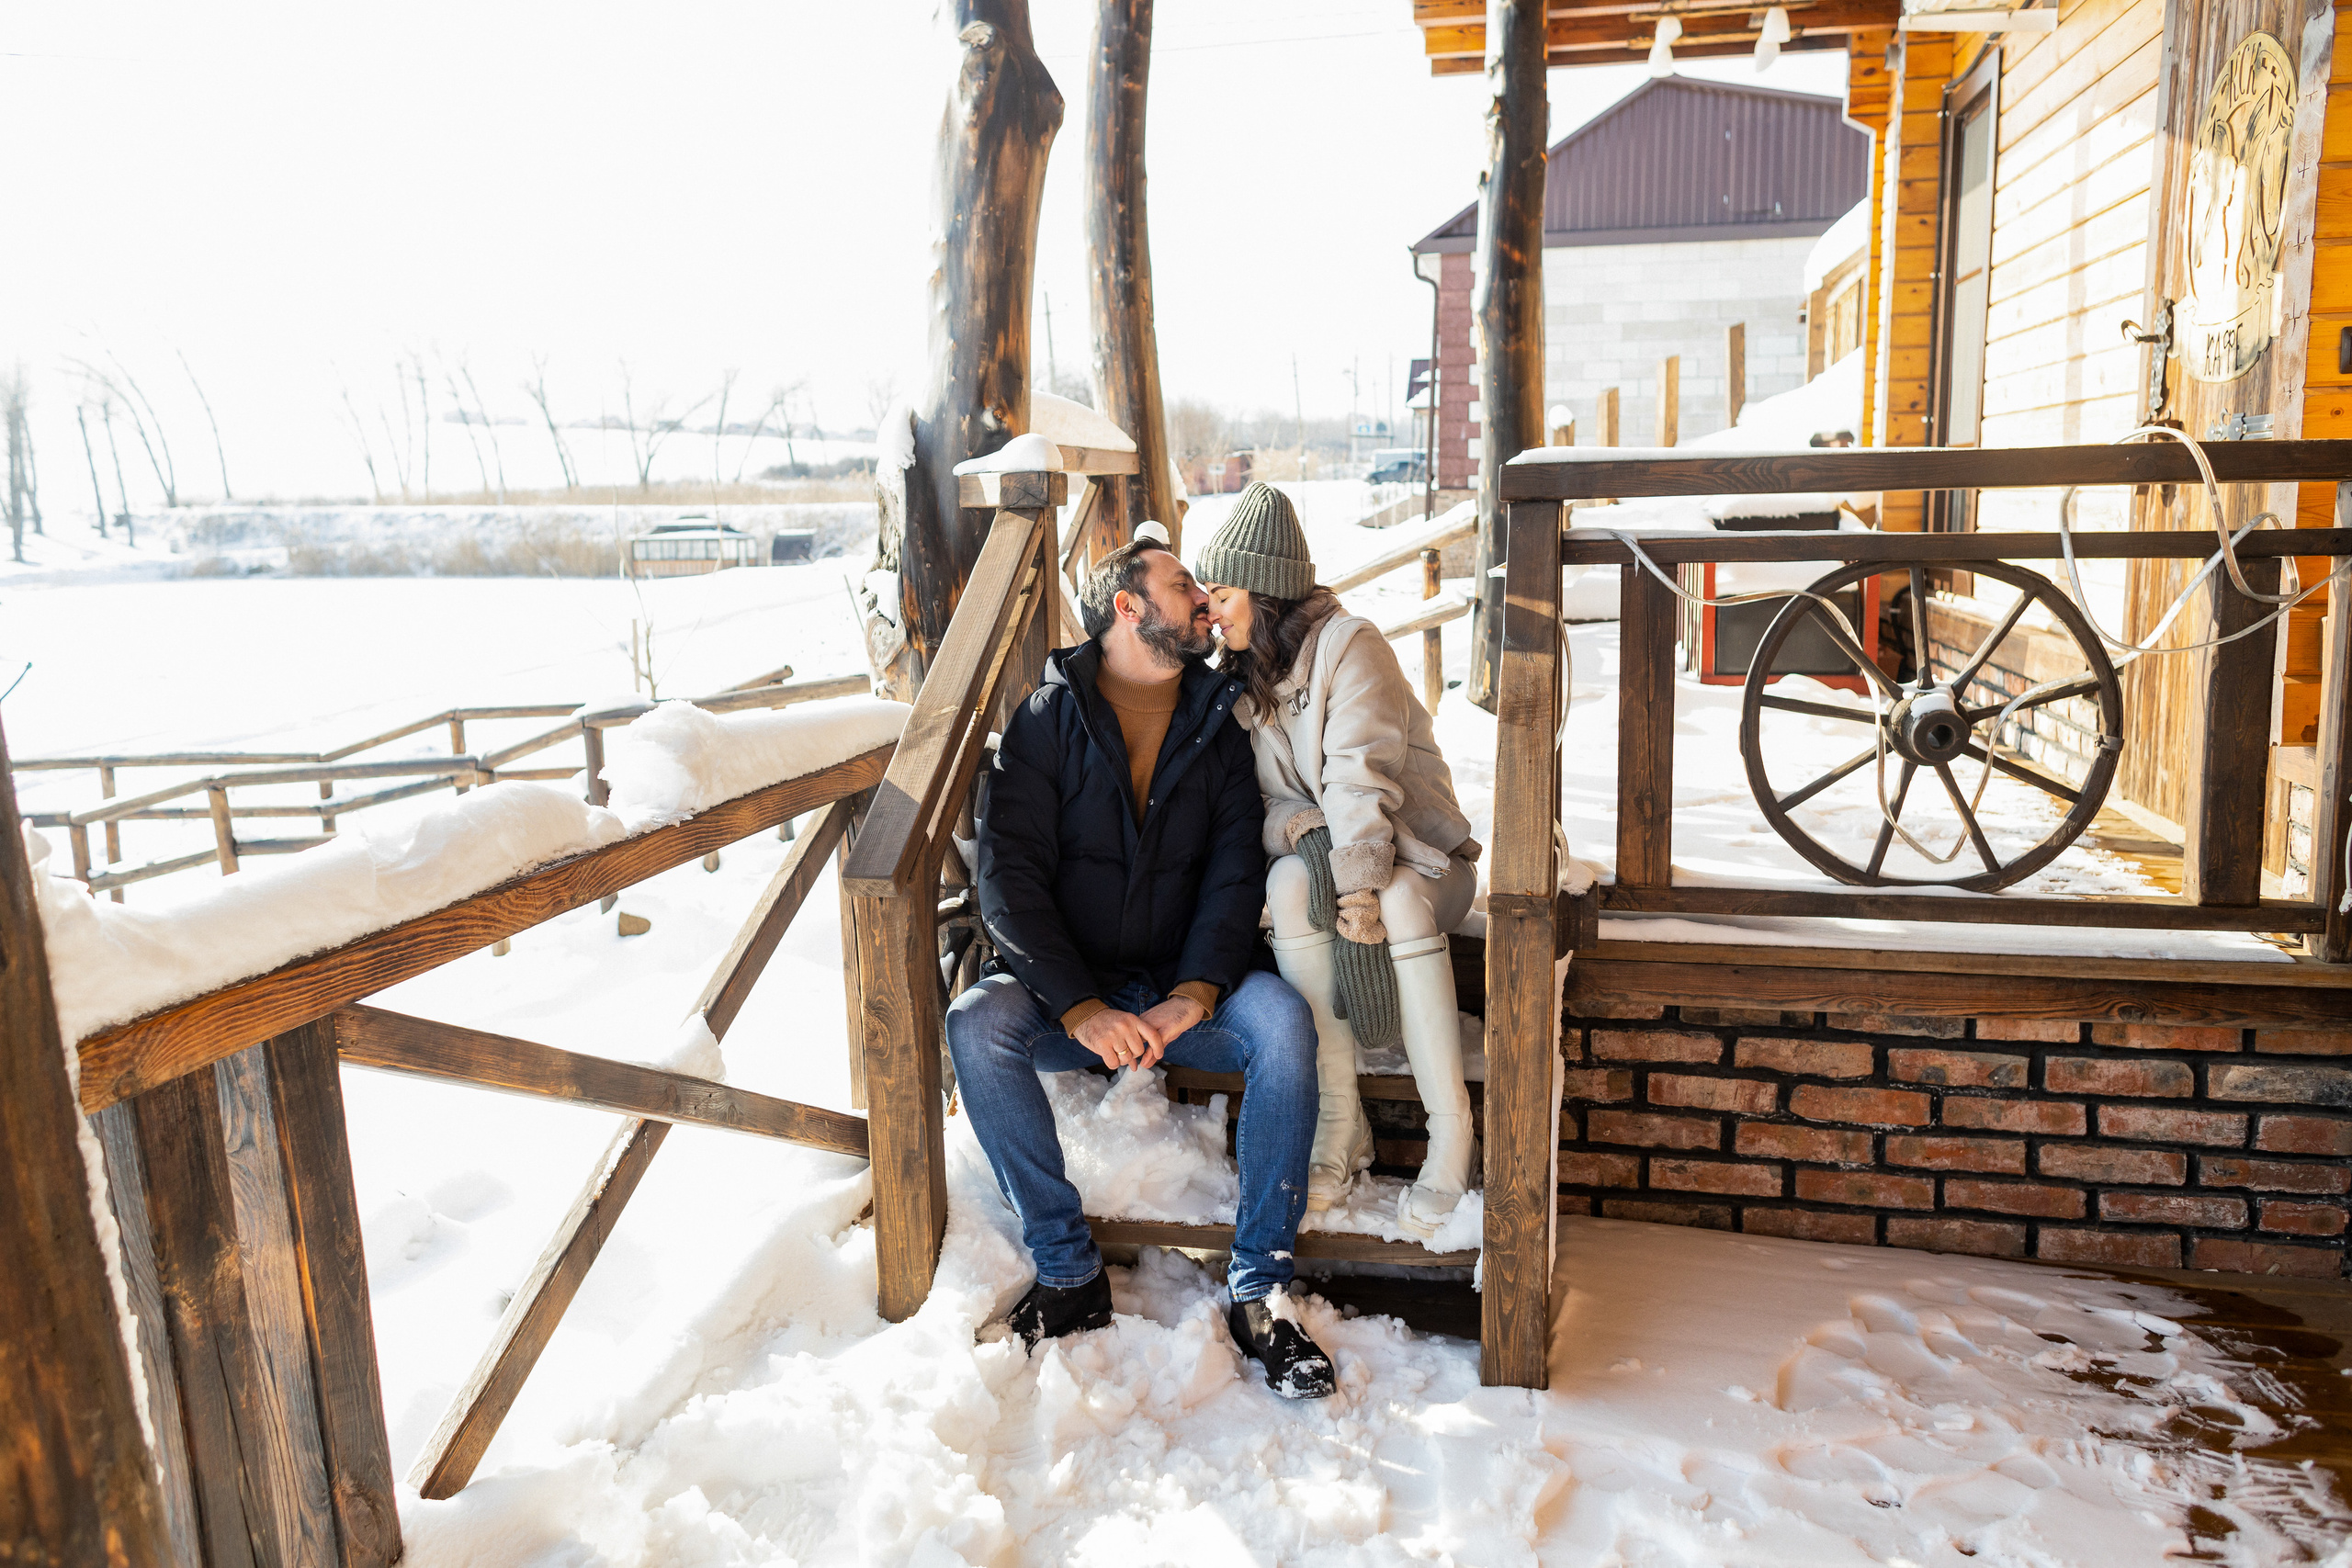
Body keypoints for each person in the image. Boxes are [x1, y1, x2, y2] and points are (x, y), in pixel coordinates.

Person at [948, 525, 1340, 1399]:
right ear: (1129, 607)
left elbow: (1236, 868)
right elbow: (1009, 879)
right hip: (1074, 996)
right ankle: (1066, 1270)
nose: (1204, 598)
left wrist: (1196, 992)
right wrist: (1080, 1005)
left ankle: (1259, 1287)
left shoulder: (1216, 719)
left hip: (1180, 992)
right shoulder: (1046, 720)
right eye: (1182, 584)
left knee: (1282, 1024)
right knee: (976, 1023)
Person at [1193, 484, 1481, 1238]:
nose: (1213, 610)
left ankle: (1451, 1132)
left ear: (1263, 586)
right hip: (1336, 860)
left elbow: (1361, 776)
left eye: (1222, 592)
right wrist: (1304, 830)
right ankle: (1339, 1126)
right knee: (1289, 880)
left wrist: (1355, 885)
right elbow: (1263, 807)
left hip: (1423, 862)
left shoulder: (1353, 646)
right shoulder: (1248, 682)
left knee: (1396, 901)